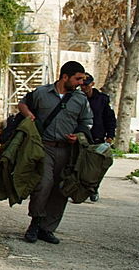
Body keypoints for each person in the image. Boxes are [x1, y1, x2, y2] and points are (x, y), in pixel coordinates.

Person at [18, 60, 92, 244]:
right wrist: (29, 115)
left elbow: (87, 122)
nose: (80, 83)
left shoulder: (80, 99)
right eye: (77, 79)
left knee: (62, 189)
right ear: (64, 77)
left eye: (82, 79)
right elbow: (23, 103)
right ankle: (35, 222)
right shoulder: (42, 93)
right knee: (43, 184)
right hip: (45, 147)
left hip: (68, 150)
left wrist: (79, 134)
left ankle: (47, 228)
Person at [79, 73, 116, 201]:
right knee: (79, 165)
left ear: (92, 84)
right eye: (82, 85)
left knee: (97, 166)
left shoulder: (102, 99)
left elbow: (109, 119)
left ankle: (94, 188)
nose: (84, 87)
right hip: (81, 136)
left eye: (86, 85)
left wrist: (110, 135)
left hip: (97, 137)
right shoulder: (76, 98)